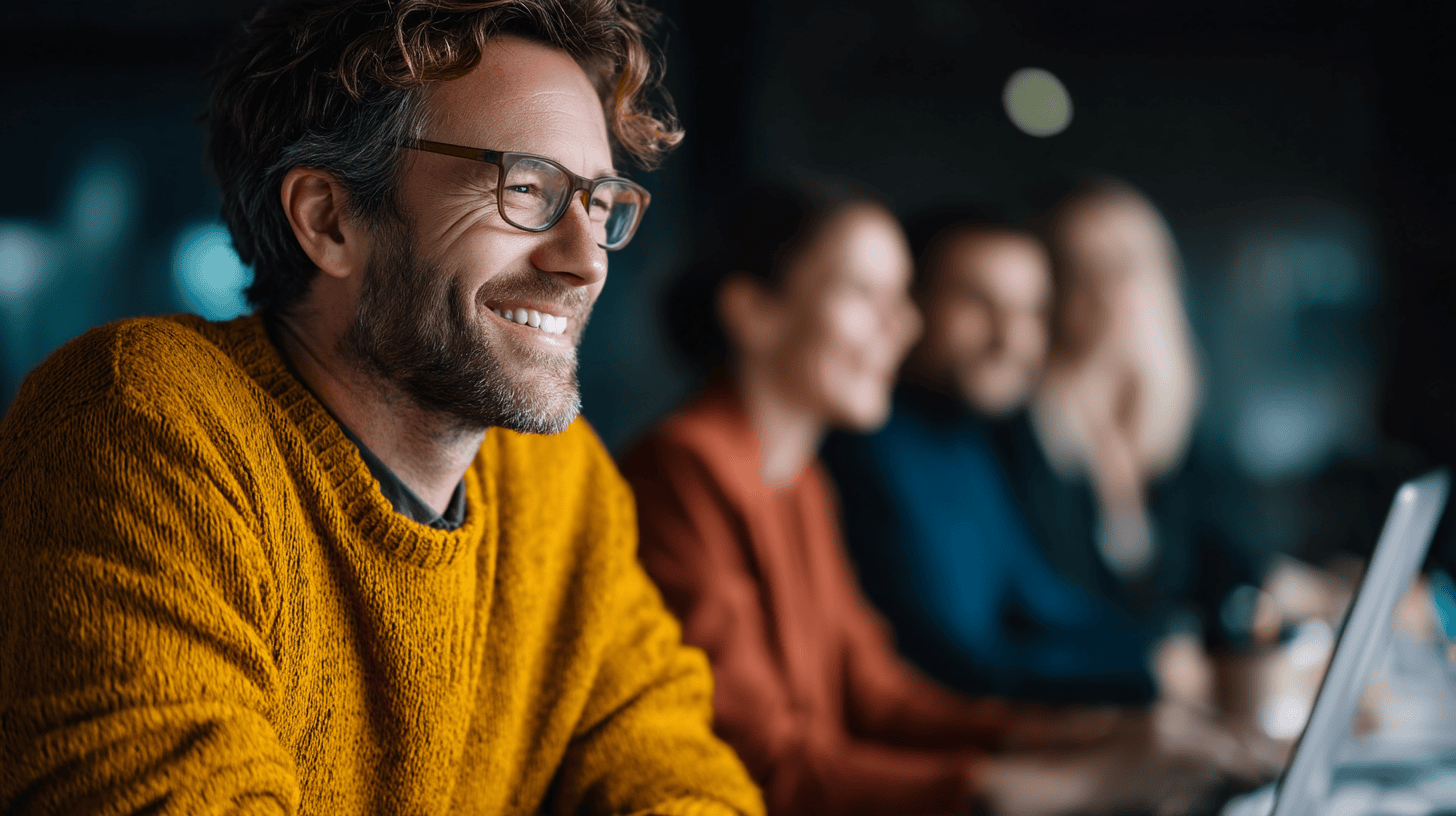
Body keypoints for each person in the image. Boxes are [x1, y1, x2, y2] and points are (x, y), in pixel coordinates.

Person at [0, 2, 764, 814]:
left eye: (600, 205)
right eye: (526, 188)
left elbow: (678, 772)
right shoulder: (142, 425)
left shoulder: (560, 484)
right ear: (329, 219)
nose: (586, 263)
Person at [621, 183, 1260, 816]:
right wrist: (1069, 783)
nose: (904, 323)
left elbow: (883, 697)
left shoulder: (797, 476)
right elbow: (763, 767)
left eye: (900, 296)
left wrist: (1101, 737)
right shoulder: (682, 473)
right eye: (863, 294)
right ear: (753, 311)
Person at [821, 208, 1159, 705]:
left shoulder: (968, 437)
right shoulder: (860, 451)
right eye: (978, 303)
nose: (1011, 338)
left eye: (1030, 311)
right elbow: (954, 664)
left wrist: (1164, 654)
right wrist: (1147, 673)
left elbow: (1041, 599)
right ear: (911, 303)